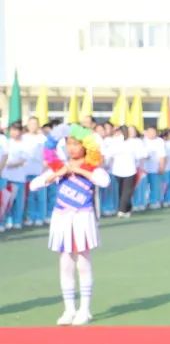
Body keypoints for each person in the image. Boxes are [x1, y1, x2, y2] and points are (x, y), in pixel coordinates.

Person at [28, 125, 111, 325]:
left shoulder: (93, 167)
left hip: (83, 218)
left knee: (83, 262)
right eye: (69, 144)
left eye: (76, 144)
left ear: (85, 147)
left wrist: (80, 171)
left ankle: (85, 309)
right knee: (65, 263)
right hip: (62, 219)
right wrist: (57, 174)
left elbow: (104, 181)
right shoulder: (60, 167)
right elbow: (33, 185)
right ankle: (69, 309)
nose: (72, 148)